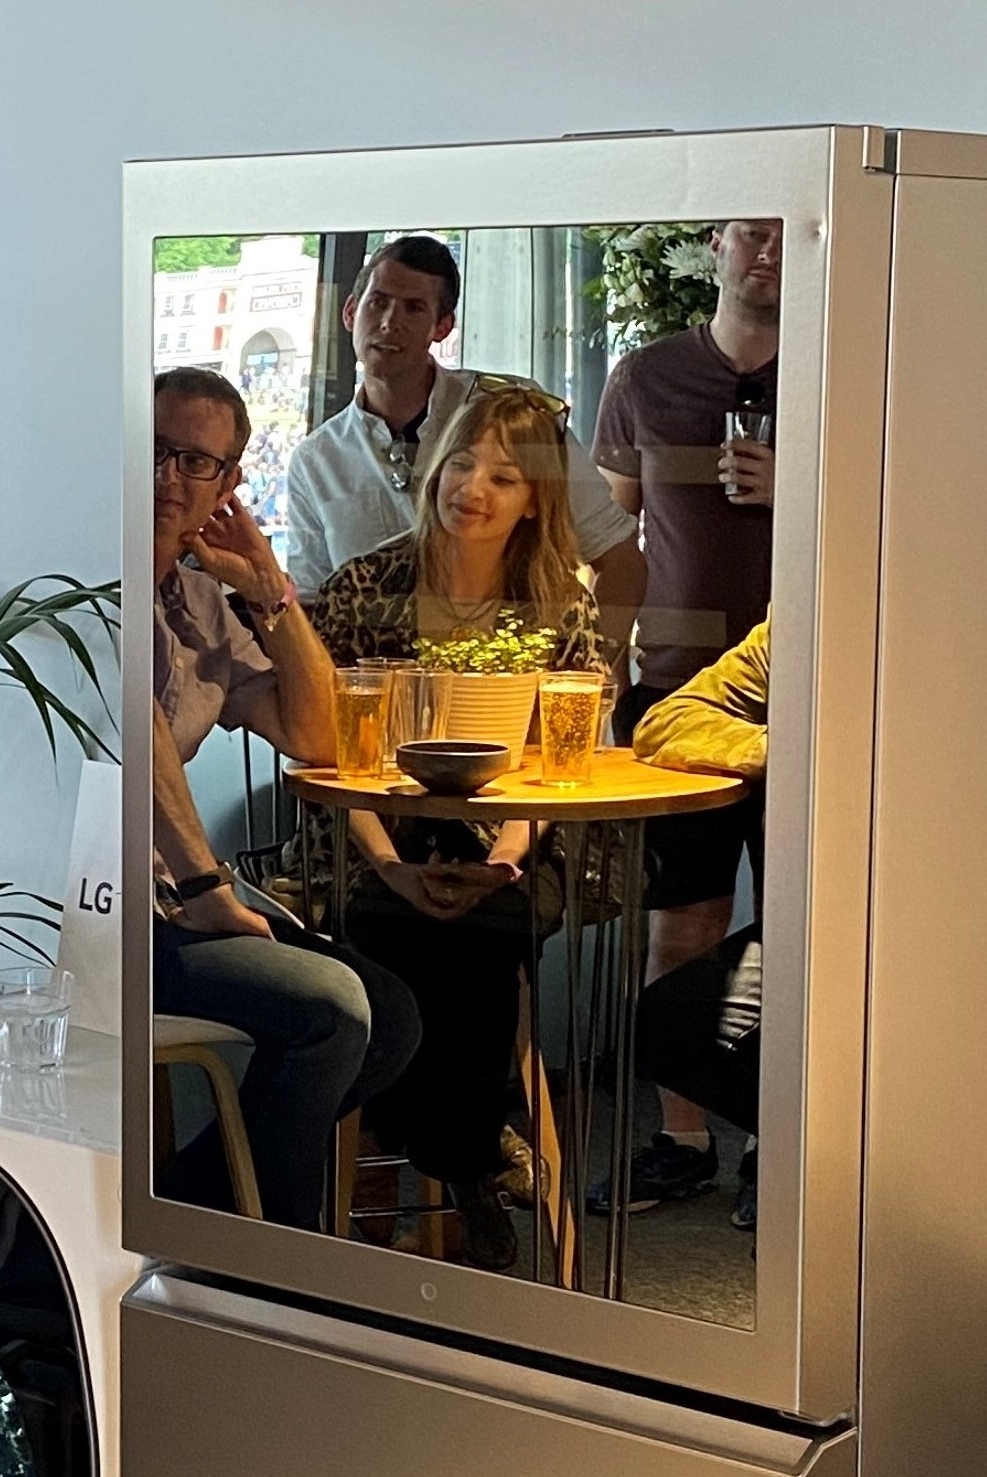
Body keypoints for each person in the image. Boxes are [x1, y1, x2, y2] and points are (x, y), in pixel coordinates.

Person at [313, 384, 603, 1273]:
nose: (473, 487)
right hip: (377, 836)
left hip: (515, 841)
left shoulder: (562, 601)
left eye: (505, 476)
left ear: (534, 499)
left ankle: (443, 1150)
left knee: (482, 929)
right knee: (396, 925)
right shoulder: (368, 583)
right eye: (463, 462)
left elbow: (564, 754)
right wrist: (391, 863)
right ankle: (473, 1158)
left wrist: (507, 858)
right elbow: (328, 745)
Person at [149, 366, 420, 1231]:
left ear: (227, 485)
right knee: (329, 1012)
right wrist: (204, 890)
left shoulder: (195, 598)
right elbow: (126, 732)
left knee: (394, 1018)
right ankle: (276, 1268)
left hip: (176, 894)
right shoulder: (91, 581)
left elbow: (318, 737)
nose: (167, 478)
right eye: (153, 451)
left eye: (195, 462)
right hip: (103, 905)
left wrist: (266, 584)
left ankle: (189, 1218)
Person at [590, 218, 780, 1222]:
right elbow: (611, 535)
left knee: (801, 930)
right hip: (673, 691)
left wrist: (800, 488)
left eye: (790, 235)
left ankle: (780, 1144)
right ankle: (681, 1138)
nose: (768, 254)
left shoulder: (847, 370)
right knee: (683, 919)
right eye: (751, 234)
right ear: (715, 245)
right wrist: (596, 669)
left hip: (811, 686)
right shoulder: (645, 377)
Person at [286, 235, 645, 658]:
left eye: (413, 307)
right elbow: (310, 610)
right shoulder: (316, 460)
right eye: (377, 302)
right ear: (350, 311)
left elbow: (620, 559)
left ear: (443, 327)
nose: (388, 322)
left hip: (512, 693)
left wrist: (590, 675)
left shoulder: (509, 412)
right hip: (387, 703)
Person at [629, 616, 769, 1188]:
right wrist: (802, 749)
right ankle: (690, 1141)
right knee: (670, 1015)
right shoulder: (800, 623)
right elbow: (665, 722)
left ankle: (782, 1158)